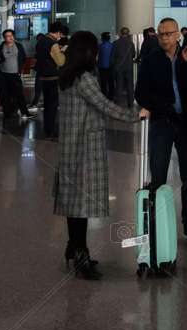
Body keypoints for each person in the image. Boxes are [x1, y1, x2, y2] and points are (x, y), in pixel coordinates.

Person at [53, 31, 148, 280]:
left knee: (74, 202)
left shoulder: (68, 76)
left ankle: (74, 247)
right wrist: (136, 115)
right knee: (81, 204)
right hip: (84, 146)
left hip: (70, 146)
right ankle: (80, 253)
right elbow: (104, 105)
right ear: (88, 52)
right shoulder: (85, 78)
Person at [137, 17, 187, 242]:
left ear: (178, 35)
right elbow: (141, 93)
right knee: (157, 175)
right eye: (161, 34)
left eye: (169, 33)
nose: (165, 38)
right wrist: (160, 107)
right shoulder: (150, 61)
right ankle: (155, 225)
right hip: (161, 122)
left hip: (186, 123)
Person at [32, 22, 66, 137]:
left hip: (42, 76)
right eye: (59, 34)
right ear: (57, 32)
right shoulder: (53, 43)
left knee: (47, 103)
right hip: (52, 77)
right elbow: (60, 61)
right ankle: (49, 130)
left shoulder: (40, 41)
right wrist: (63, 52)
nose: (59, 36)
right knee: (52, 104)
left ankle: (47, 128)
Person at [0, 28, 34, 124]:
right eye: (7, 36)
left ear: (13, 36)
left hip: (15, 74)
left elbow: (23, 58)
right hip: (4, 74)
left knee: (19, 94)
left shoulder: (18, 46)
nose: (9, 38)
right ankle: (8, 112)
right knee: (6, 95)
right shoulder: (1, 46)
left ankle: (25, 112)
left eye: (11, 36)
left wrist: (19, 70)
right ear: (4, 38)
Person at [113, 25, 137, 104]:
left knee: (119, 86)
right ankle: (130, 103)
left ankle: (118, 103)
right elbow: (133, 55)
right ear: (128, 33)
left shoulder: (115, 43)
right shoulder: (131, 44)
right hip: (129, 68)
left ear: (121, 33)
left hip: (119, 67)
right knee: (130, 86)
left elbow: (112, 56)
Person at [97, 30, 114, 99]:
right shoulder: (112, 45)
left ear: (102, 38)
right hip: (111, 66)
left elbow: (97, 57)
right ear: (109, 38)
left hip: (102, 67)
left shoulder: (100, 46)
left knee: (103, 83)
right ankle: (111, 96)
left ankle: (104, 96)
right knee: (111, 82)